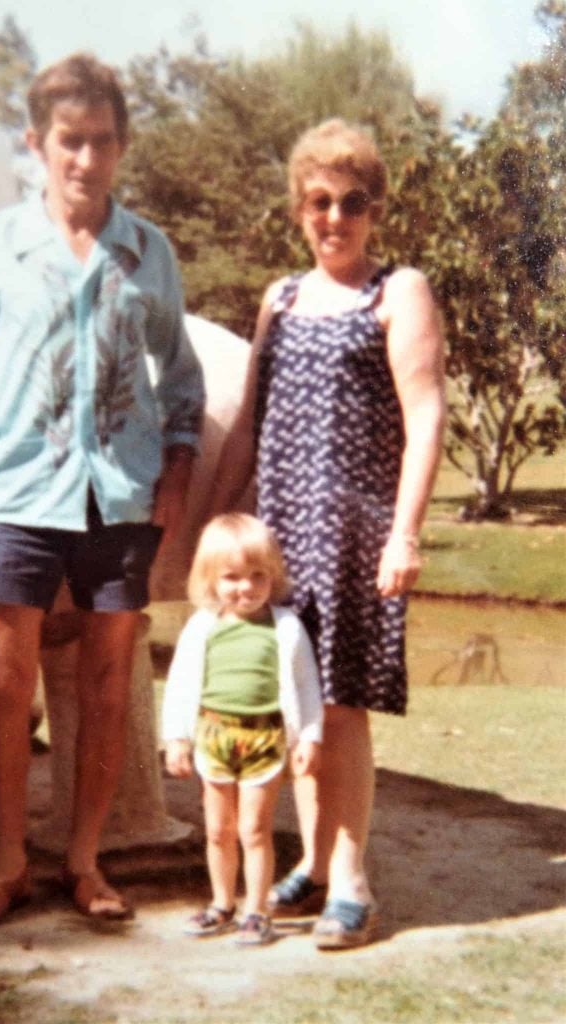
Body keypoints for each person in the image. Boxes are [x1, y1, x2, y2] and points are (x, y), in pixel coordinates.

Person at [0, 53, 204, 927]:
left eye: (103, 142)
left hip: (118, 494)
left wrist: (176, 476)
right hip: (13, 491)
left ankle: (86, 859)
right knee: (9, 685)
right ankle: (6, 862)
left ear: (122, 145)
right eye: (69, 143)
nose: (86, 160)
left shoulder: (147, 252)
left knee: (110, 683)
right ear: (37, 144)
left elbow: (182, 380)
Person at [210, 119, 446, 948]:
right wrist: (214, 528)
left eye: (351, 201)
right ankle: (311, 863)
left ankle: (352, 882)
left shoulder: (398, 291)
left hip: (354, 531)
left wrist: (405, 537)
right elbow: (247, 426)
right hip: (279, 535)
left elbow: (426, 418)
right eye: (318, 201)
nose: (334, 217)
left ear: (375, 208)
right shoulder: (278, 299)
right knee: (290, 703)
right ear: (298, 209)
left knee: (340, 709)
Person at [162, 513, 323, 946]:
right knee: (218, 829)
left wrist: (309, 735)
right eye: (232, 577)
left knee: (254, 829)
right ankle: (221, 904)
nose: (246, 588)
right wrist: (176, 737)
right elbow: (179, 684)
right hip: (214, 736)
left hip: (264, 738)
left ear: (273, 576)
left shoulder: (286, 627)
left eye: (258, 577)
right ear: (210, 579)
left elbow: (307, 685)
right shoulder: (202, 626)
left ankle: (256, 910)